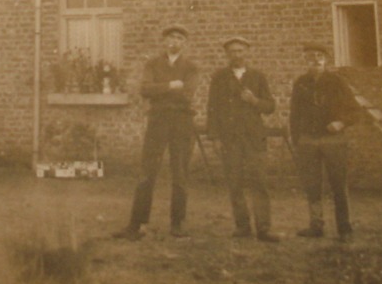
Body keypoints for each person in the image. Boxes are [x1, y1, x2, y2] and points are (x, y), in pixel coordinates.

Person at [117, 23, 201, 240]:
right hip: (158, 121)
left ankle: (178, 223)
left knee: (180, 173)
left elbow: (188, 94)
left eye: (180, 38)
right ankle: (137, 224)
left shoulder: (191, 67)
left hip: (182, 122)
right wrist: (172, 85)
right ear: (164, 41)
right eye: (171, 37)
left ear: (185, 43)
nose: (175, 41)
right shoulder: (152, 64)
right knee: (147, 173)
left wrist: (161, 90)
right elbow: (145, 89)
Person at [206, 36, 279, 241]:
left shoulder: (257, 77)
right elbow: (212, 109)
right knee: (235, 182)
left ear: (247, 52)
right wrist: (215, 138)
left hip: (254, 138)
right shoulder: (219, 77)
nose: (236, 55)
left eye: (240, 51)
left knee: (260, 182)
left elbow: (270, 106)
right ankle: (242, 226)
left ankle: (264, 228)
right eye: (232, 51)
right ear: (227, 54)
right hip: (230, 139)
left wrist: (254, 100)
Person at [288, 42, 361, 240]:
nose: (315, 60)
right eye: (310, 57)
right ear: (305, 60)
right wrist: (298, 140)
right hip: (308, 141)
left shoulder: (337, 82)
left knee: (338, 184)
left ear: (325, 59)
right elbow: (294, 114)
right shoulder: (301, 83)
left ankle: (344, 228)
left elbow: (355, 111)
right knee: (312, 185)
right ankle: (316, 225)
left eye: (319, 56)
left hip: (334, 141)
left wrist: (341, 123)